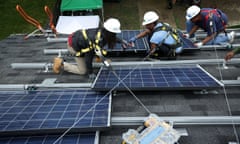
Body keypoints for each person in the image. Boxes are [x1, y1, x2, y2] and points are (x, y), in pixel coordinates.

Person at [53, 18, 126, 77]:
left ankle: (97, 57)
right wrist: (90, 72)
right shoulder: (94, 40)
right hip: (74, 47)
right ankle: (61, 63)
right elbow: (88, 58)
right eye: (114, 33)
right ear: (109, 32)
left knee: (99, 52)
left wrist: (122, 41)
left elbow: (111, 38)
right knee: (83, 71)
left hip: (80, 41)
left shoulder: (102, 32)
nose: (115, 34)